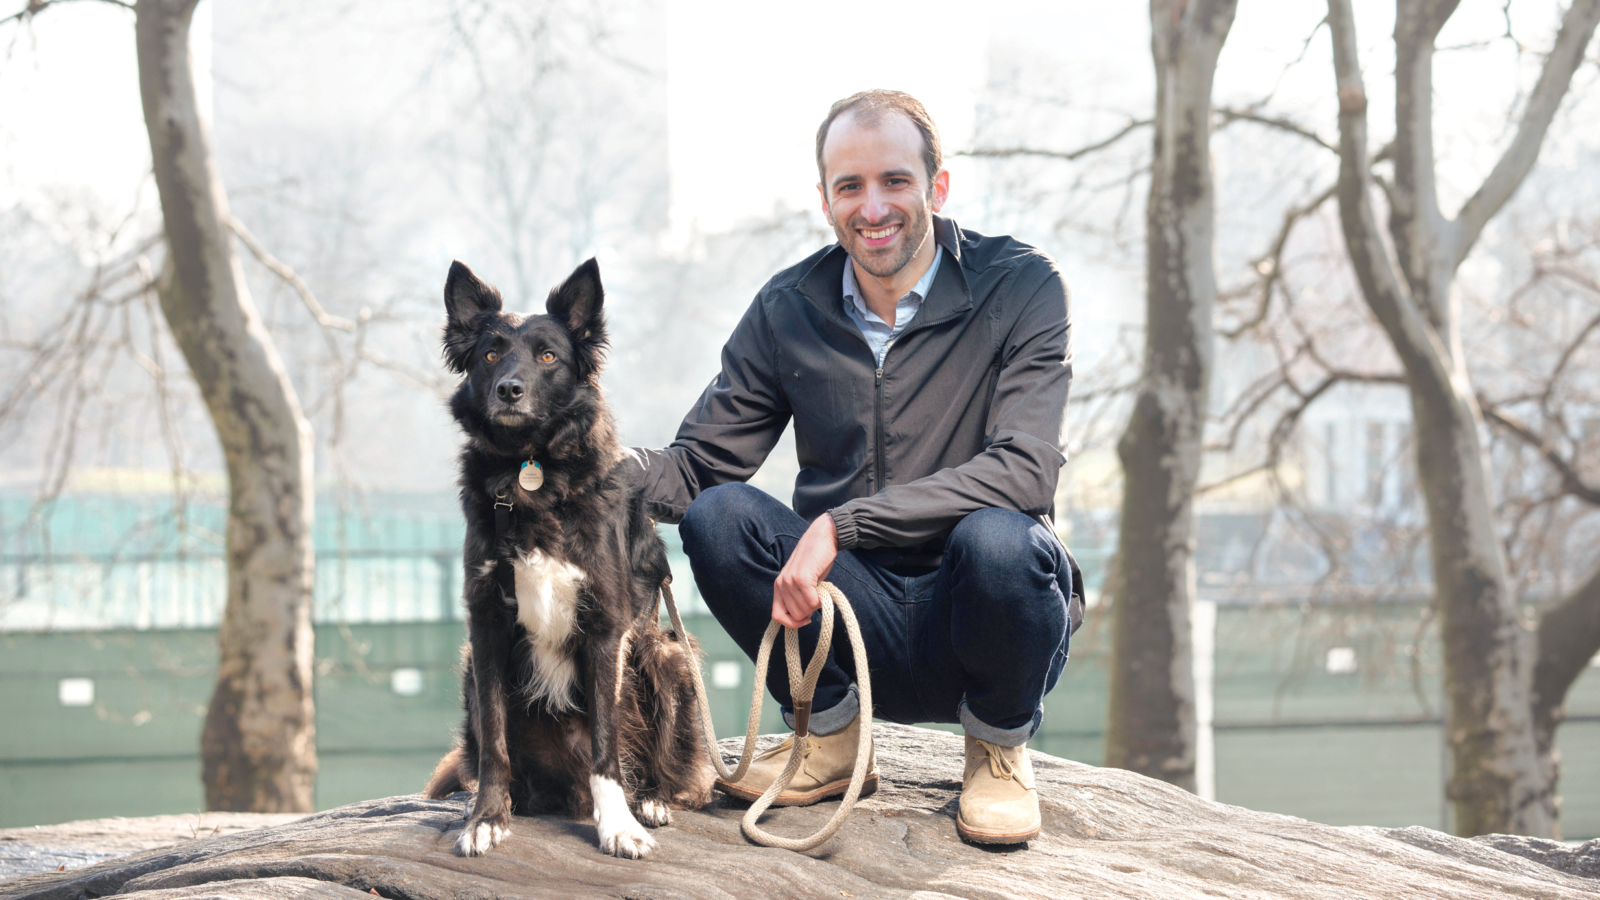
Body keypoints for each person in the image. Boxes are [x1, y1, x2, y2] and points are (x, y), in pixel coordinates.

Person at [635, 89, 1080, 845]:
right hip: (842, 617)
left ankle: (999, 750)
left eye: (894, 181)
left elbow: (1024, 472)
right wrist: (599, 465)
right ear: (825, 200)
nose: (873, 207)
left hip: (979, 609)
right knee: (719, 519)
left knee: (1003, 542)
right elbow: (701, 467)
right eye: (850, 187)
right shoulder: (787, 308)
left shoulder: (1022, 287)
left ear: (937, 187)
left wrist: (842, 524)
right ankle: (833, 738)